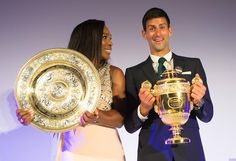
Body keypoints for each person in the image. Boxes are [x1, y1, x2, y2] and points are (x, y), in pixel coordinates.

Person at [16, 19, 127, 161]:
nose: (110, 43)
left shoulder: (114, 73)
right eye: (104, 37)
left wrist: (97, 116)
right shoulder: (60, 74)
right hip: (72, 150)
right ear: (89, 39)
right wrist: (31, 116)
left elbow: (121, 119)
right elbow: (47, 110)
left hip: (107, 151)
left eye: (110, 38)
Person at [124, 7, 213, 161]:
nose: (158, 34)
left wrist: (199, 101)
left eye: (162, 27)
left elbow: (208, 115)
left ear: (170, 31)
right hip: (152, 151)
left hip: (189, 150)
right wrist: (143, 110)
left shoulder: (193, 65)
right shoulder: (134, 73)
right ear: (144, 34)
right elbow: (129, 126)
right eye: (152, 29)